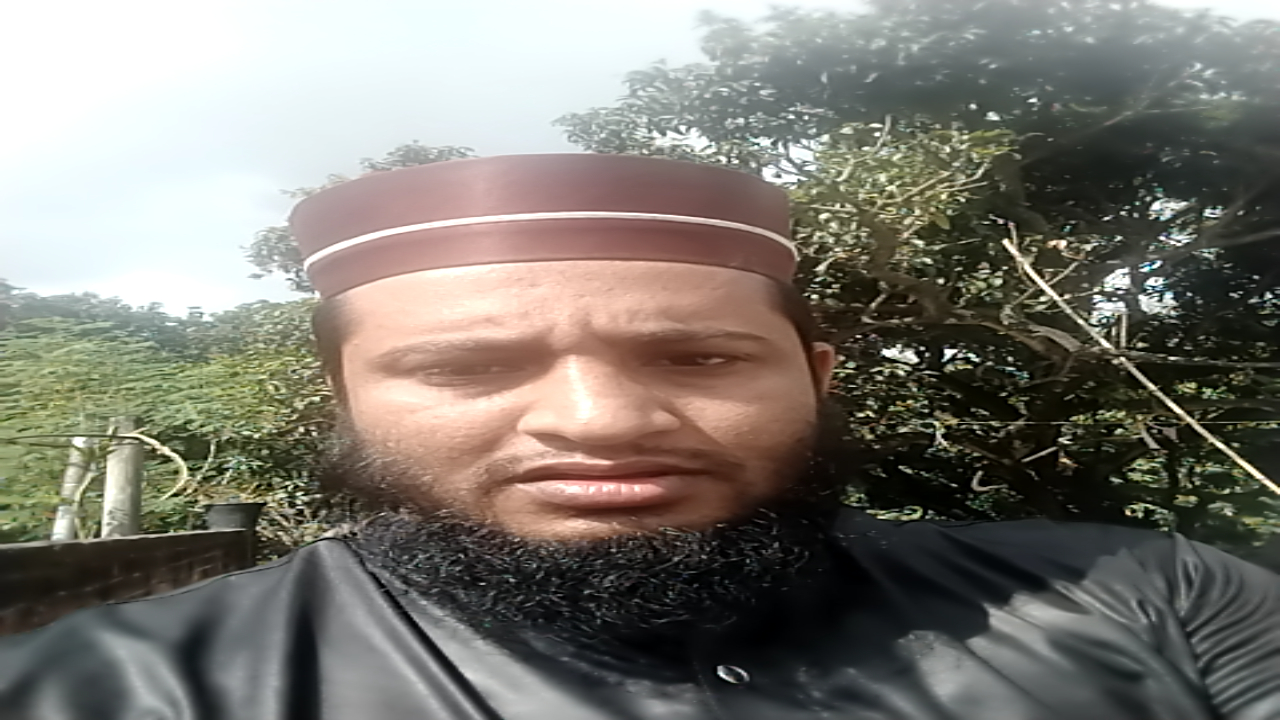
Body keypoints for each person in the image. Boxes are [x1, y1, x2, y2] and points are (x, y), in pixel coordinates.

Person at [1, 154, 1278, 720]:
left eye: (697, 358)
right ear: (345, 402)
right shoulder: (119, 690)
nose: (600, 423)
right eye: (466, 367)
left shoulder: (1149, 599)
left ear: (814, 378)